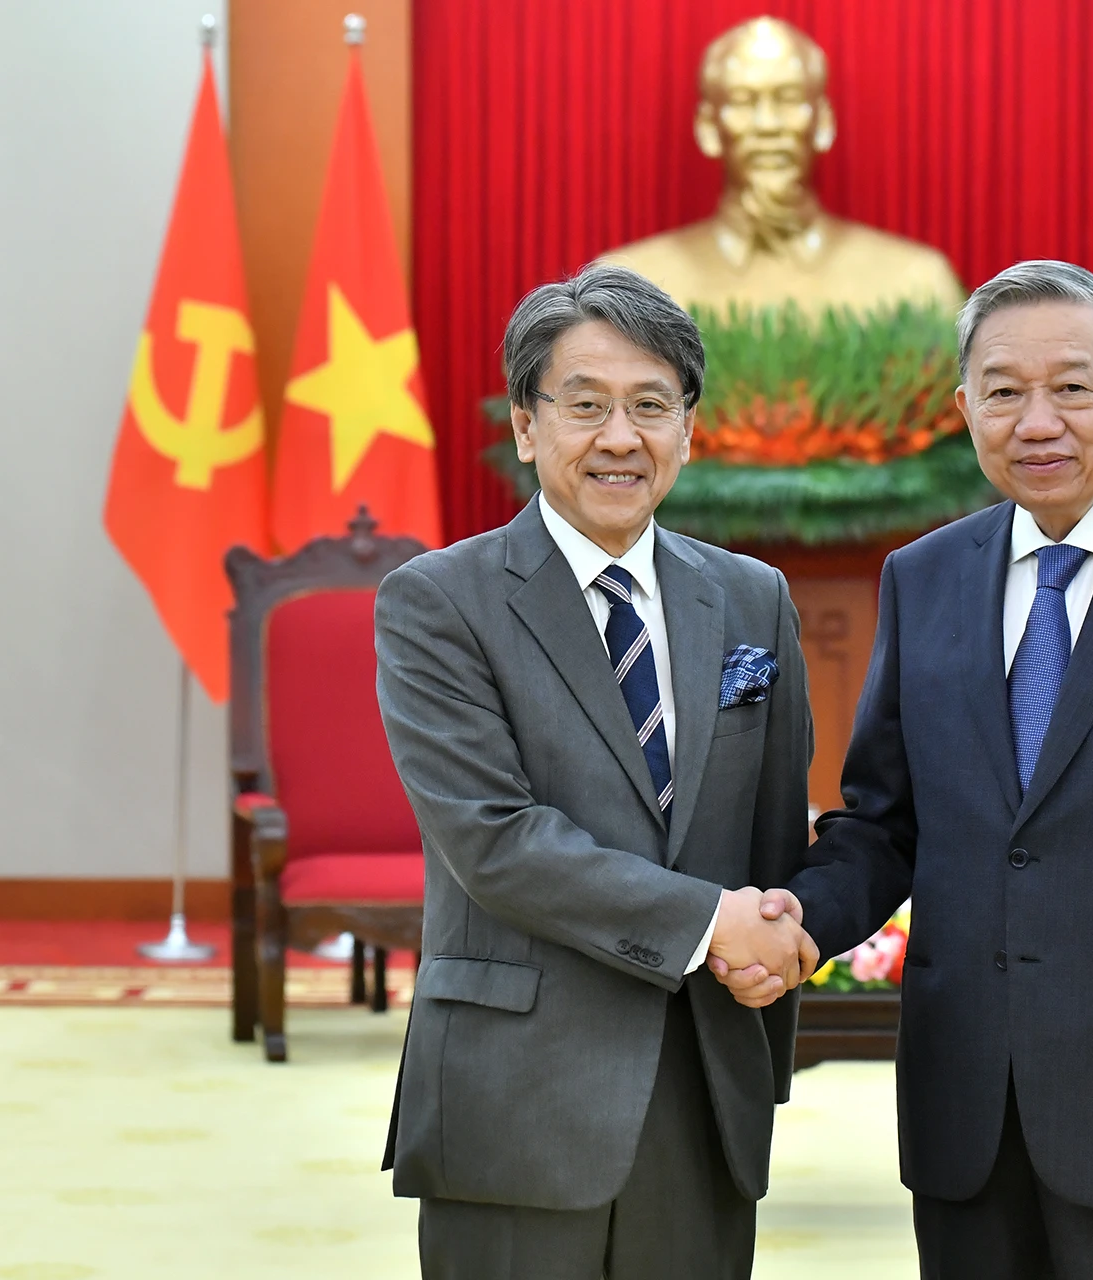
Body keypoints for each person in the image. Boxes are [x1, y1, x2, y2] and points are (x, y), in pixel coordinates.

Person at [716, 260, 1093, 1277]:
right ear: (965, 409)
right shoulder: (925, 579)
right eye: (1004, 391)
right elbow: (885, 823)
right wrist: (798, 922)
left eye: (1073, 387)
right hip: (967, 1117)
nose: (1036, 419)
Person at [376, 263, 819, 1280]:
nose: (621, 437)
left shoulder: (752, 601)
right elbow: (496, 839)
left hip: (704, 1090)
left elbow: (769, 835)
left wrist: (759, 1026)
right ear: (528, 426)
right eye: (586, 405)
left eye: (651, 406)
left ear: (688, 429)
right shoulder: (439, 603)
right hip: (516, 1097)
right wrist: (715, 924)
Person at [597, 16, 964, 316]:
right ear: (708, 127)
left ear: (822, 122)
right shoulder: (629, 284)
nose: (768, 125)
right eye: (743, 101)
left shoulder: (916, 284)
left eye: (788, 99)